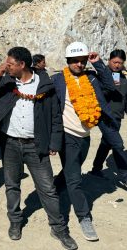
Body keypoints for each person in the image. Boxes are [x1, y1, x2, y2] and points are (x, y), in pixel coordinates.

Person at [0, 47, 77, 250]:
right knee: (12, 185)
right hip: (10, 144)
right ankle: (15, 221)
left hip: (37, 146)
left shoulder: (44, 85)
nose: (6, 67)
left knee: (48, 189)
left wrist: (54, 143)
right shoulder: (7, 83)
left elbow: (55, 117)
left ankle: (58, 228)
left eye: (10, 64)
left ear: (22, 65)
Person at [52, 42, 127, 242]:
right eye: (75, 61)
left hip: (84, 137)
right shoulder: (58, 80)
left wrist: (99, 64)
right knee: (75, 179)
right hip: (66, 136)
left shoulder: (92, 78)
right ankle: (84, 216)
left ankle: (53, 186)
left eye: (82, 61)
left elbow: (111, 87)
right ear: (67, 61)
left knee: (72, 168)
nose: (79, 64)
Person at [89, 49, 127, 181]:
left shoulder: (123, 77)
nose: (117, 65)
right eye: (115, 62)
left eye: (120, 63)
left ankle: (96, 169)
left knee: (106, 143)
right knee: (118, 145)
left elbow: (124, 98)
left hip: (117, 116)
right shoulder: (103, 75)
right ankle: (124, 175)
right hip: (105, 116)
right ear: (109, 61)